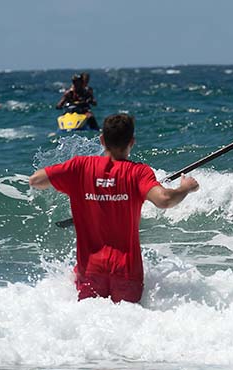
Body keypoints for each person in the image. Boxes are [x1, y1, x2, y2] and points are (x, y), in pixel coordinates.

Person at [29, 113, 199, 304]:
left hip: (90, 273)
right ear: (132, 142)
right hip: (127, 275)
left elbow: (36, 180)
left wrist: (74, 186)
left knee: (90, 325)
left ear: (102, 140)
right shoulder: (138, 172)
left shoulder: (80, 167)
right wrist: (186, 187)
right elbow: (165, 200)